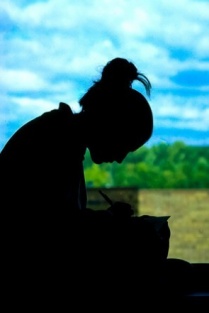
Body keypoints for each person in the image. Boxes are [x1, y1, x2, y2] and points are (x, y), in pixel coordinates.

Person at [1, 57, 172, 307]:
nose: (121, 158)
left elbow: (57, 220)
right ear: (112, 124)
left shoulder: (57, 138)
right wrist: (112, 225)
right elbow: (51, 239)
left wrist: (108, 220)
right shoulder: (51, 145)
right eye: (125, 144)